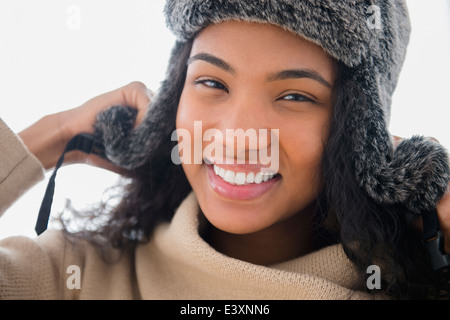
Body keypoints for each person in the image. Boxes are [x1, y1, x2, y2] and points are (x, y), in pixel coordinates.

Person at [1, 0, 450, 300]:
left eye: (295, 96)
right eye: (212, 83)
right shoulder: (70, 276)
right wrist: (52, 136)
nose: (237, 135)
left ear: (359, 131)